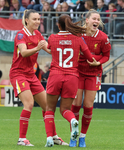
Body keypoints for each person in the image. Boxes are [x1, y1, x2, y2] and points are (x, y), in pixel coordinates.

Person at [9, 9, 68, 146]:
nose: (37, 21)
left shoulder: (38, 34)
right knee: (29, 104)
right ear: (26, 20)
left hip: (31, 75)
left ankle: (53, 136)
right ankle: (22, 139)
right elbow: (23, 53)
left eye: (39, 19)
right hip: (18, 74)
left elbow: (49, 49)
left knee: (48, 106)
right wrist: (37, 48)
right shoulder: (20, 35)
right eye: (34, 19)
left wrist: (63, 51)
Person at [43, 14, 99, 147]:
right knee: (65, 109)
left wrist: (42, 45)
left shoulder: (52, 38)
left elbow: (50, 50)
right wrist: (95, 62)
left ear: (58, 25)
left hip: (55, 75)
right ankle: (73, 120)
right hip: (72, 77)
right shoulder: (78, 39)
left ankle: (50, 139)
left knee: (49, 109)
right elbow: (89, 57)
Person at [71, 9, 111, 147]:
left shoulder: (103, 38)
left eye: (98, 19)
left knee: (88, 106)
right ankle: (73, 135)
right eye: (94, 18)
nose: (96, 21)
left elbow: (106, 55)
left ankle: (82, 136)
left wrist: (97, 62)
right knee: (76, 104)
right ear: (86, 20)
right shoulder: (77, 34)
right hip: (78, 72)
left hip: (94, 74)